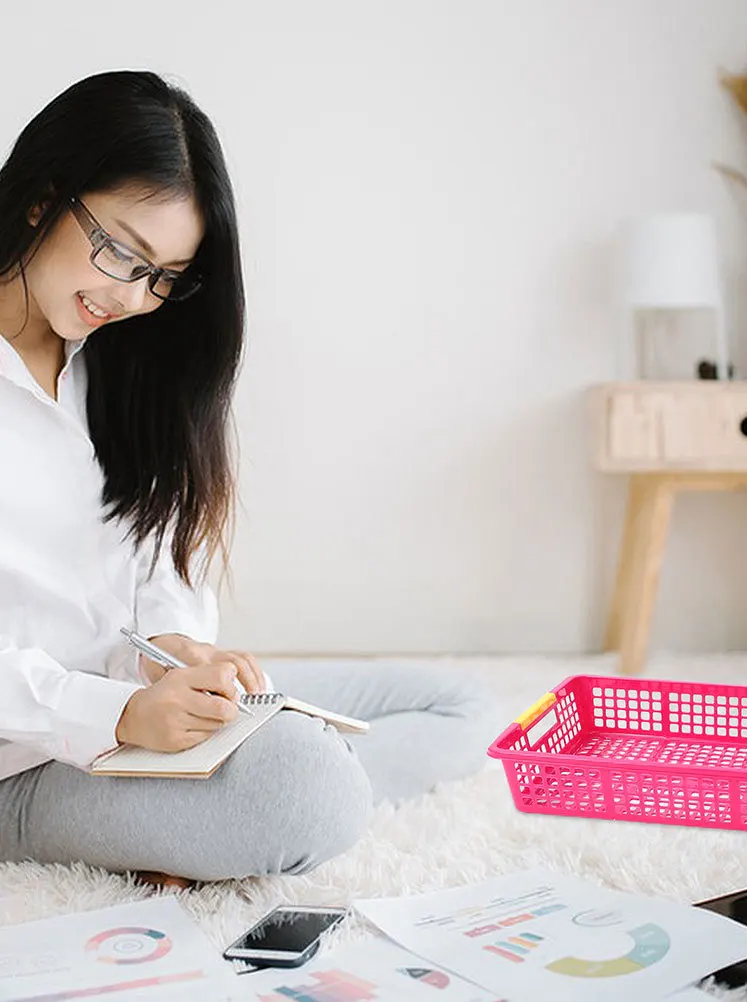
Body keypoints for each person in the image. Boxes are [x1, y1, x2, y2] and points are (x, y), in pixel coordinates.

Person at [0, 71, 496, 888]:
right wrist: (117, 713)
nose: (132, 297)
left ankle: (219, 820)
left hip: (135, 714)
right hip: (24, 760)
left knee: (460, 707)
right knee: (303, 786)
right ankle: (240, 815)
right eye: (121, 252)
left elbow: (157, 556)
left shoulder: (115, 368)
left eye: (163, 276)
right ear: (42, 199)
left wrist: (171, 649)